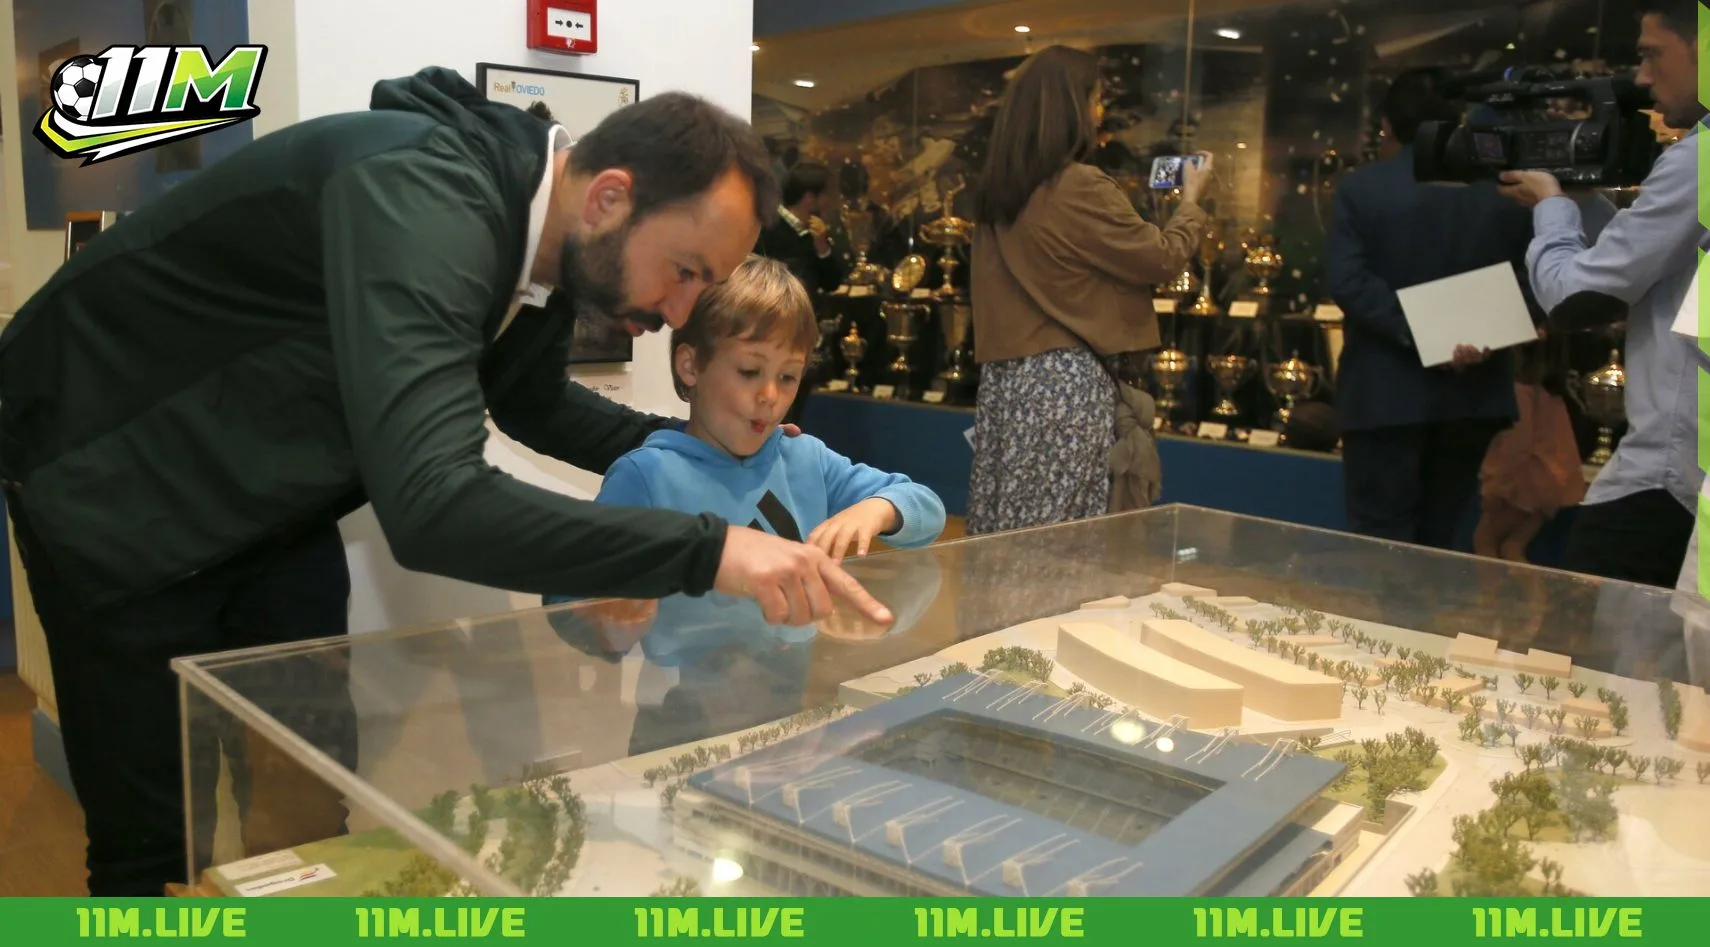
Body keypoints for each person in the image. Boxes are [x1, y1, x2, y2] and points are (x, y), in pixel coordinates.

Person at [0, 67, 889, 897]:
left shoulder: (545, 249)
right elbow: (432, 502)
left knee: (309, 799)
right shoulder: (427, 198)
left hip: (269, 511)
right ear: (611, 198)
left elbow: (536, 404)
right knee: (154, 839)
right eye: (685, 270)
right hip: (113, 492)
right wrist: (710, 547)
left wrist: (714, 454)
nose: (681, 312)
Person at [543, 256, 945, 653]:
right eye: (749, 372)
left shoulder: (806, 458)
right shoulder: (646, 476)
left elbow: (927, 510)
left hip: (793, 699)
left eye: (788, 377)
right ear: (690, 365)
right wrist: (611, 620)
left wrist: (877, 508)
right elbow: (569, 602)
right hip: (685, 709)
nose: (770, 396)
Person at [1497, 0, 1704, 587]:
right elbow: (1656, 263)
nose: (1641, 77)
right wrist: (1579, 202)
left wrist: (1553, 210)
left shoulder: (1700, 161)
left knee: (1605, 671)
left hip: (1673, 475)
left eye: (1651, 54)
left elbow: (1578, 299)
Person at [964, 45, 1208, 535]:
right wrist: (1194, 202)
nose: (1100, 111)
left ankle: (1000, 615)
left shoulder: (998, 192)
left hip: (1006, 385)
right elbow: (1159, 257)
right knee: (1061, 536)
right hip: (1064, 384)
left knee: (1004, 529)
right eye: (1095, 99)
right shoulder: (1077, 185)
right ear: (1072, 106)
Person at [1326, 68, 1538, 550]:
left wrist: (1428, 334)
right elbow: (1540, 279)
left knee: (1381, 546)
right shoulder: (1509, 191)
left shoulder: (1363, 189)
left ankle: (1384, 630)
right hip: (1474, 395)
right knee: (1442, 545)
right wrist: (1479, 335)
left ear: (1387, 126)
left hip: (1385, 393)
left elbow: (1350, 282)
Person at [1473, 337, 1586, 562]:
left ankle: (1487, 597)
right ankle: (1536, 597)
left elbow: (1515, 447)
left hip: (1523, 484)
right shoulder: (1550, 395)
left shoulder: (1519, 393)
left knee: (1483, 541)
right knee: (1513, 547)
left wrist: (1495, 487)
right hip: (1551, 486)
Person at [755, 160, 846, 427]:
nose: (830, 202)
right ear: (810, 198)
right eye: (826, 195)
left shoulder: (815, 234)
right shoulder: (769, 229)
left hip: (802, 332)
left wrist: (822, 247)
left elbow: (832, 282)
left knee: (796, 400)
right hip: (772, 332)